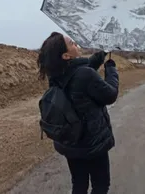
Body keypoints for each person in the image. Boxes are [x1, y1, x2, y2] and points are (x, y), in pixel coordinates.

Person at [37, 32, 119, 194]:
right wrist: (111, 70)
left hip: (71, 141)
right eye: (72, 43)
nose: (77, 45)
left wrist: (102, 53)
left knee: (79, 183)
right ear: (66, 55)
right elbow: (110, 95)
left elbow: (85, 67)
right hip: (93, 143)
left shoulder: (57, 73)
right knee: (100, 185)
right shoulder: (84, 75)